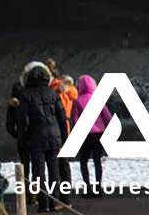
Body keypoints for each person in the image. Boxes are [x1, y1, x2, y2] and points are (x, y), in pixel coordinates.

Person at [20, 61, 65, 213]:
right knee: (54, 170)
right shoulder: (53, 93)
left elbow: (23, 121)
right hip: (54, 136)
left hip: (36, 138)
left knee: (38, 171)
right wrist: (64, 138)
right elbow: (62, 117)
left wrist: (23, 139)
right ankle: (55, 201)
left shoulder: (25, 95)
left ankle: (43, 203)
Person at [71, 74, 111, 194]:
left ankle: (88, 187)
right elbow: (107, 116)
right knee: (97, 160)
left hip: (85, 134)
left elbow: (75, 119)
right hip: (99, 133)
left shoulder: (77, 101)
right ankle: (98, 186)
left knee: (84, 160)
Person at [54, 73, 78, 187]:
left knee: (56, 159)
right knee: (64, 159)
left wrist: (56, 81)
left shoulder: (56, 88)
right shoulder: (71, 91)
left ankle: (59, 187)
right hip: (66, 124)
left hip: (56, 124)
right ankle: (66, 186)